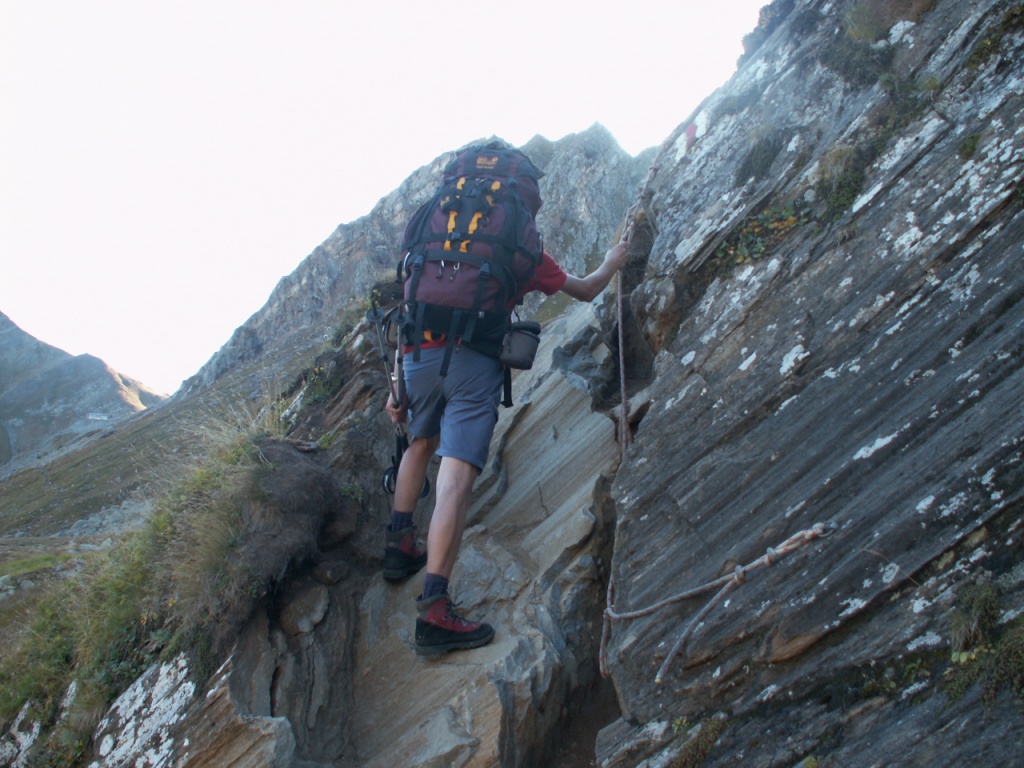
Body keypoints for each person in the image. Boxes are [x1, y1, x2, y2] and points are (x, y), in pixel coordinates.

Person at [384, 192, 630, 658]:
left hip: (417, 356)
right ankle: (434, 610)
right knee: (456, 475)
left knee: (420, 441)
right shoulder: (515, 239)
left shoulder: (434, 230)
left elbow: (409, 301)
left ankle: (398, 545)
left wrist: (397, 383)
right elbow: (586, 289)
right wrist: (611, 261)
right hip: (473, 363)